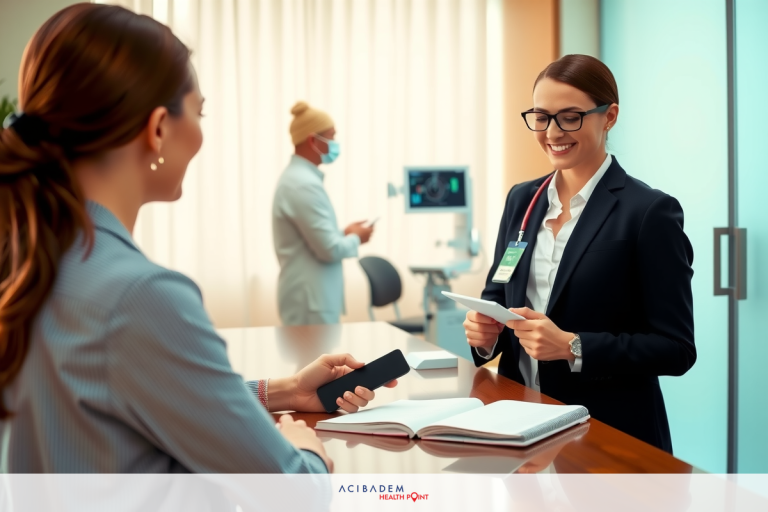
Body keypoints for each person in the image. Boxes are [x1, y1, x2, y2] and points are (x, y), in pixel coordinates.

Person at [0, 3, 395, 473]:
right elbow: (293, 493)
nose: (202, 133)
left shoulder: (30, 261)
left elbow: (134, 393)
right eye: (199, 112)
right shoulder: (139, 297)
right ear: (159, 129)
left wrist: (282, 391)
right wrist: (303, 444)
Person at [463, 54, 695, 453]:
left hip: (606, 433)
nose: (553, 132)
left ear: (609, 116)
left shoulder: (648, 212)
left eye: (571, 116)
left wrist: (573, 346)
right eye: (542, 116)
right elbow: (498, 295)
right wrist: (485, 337)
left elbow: (676, 349)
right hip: (520, 422)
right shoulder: (523, 200)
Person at [272, 102, 373, 326]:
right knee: (312, 360)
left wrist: (344, 231)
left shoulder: (300, 180)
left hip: (313, 299)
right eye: (331, 136)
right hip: (310, 303)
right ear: (312, 140)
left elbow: (314, 237)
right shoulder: (302, 185)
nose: (335, 143)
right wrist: (356, 237)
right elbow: (328, 248)